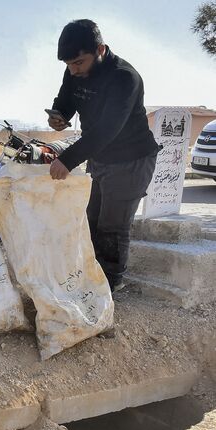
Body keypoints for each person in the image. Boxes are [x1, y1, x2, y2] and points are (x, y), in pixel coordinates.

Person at [46, 19, 160, 292]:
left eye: (79, 63)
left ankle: (110, 286)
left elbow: (107, 130)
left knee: (113, 226)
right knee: (91, 221)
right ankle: (92, 279)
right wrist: (60, 114)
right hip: (100, 158)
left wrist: (68, 159)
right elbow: (67, 98)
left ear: (99, 49)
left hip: (132, 160)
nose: (73, 70)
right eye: (68, 65)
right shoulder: (74, 70)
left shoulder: (124, 78)